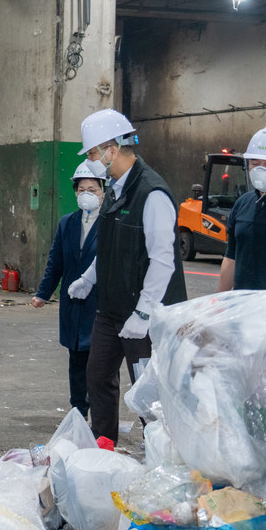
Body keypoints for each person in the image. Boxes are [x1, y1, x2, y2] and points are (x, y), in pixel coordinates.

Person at [68, 108, 186, 443]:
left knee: (149, 393)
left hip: (146, 316)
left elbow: (163, 261)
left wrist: (144, 314)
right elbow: (109, 248)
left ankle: (162, 456)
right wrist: (89, 277)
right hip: (111, 310)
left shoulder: (153, 194)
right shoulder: (115, 190)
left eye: (92, 153)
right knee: (98, 376)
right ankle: (103, 445)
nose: (91, 160)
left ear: (111, 150)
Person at [31, 162, 106, 418]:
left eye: (93, 189)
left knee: (100, 361)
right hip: (73, 303)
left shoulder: (111, 223)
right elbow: (56, 261)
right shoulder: (68, 223)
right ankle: (78, 411)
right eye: (82, 188)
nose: (88, 194)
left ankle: (102, 414)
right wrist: (44, 293)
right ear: (75, 192)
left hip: (100, 303)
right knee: (76, 359)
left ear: (103, 192)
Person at [217, 127, 266, 291]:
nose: (260, 170)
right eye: (255, 164)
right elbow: (231, 258)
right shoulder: (242, 204)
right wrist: (219, 300)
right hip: (242, 307)